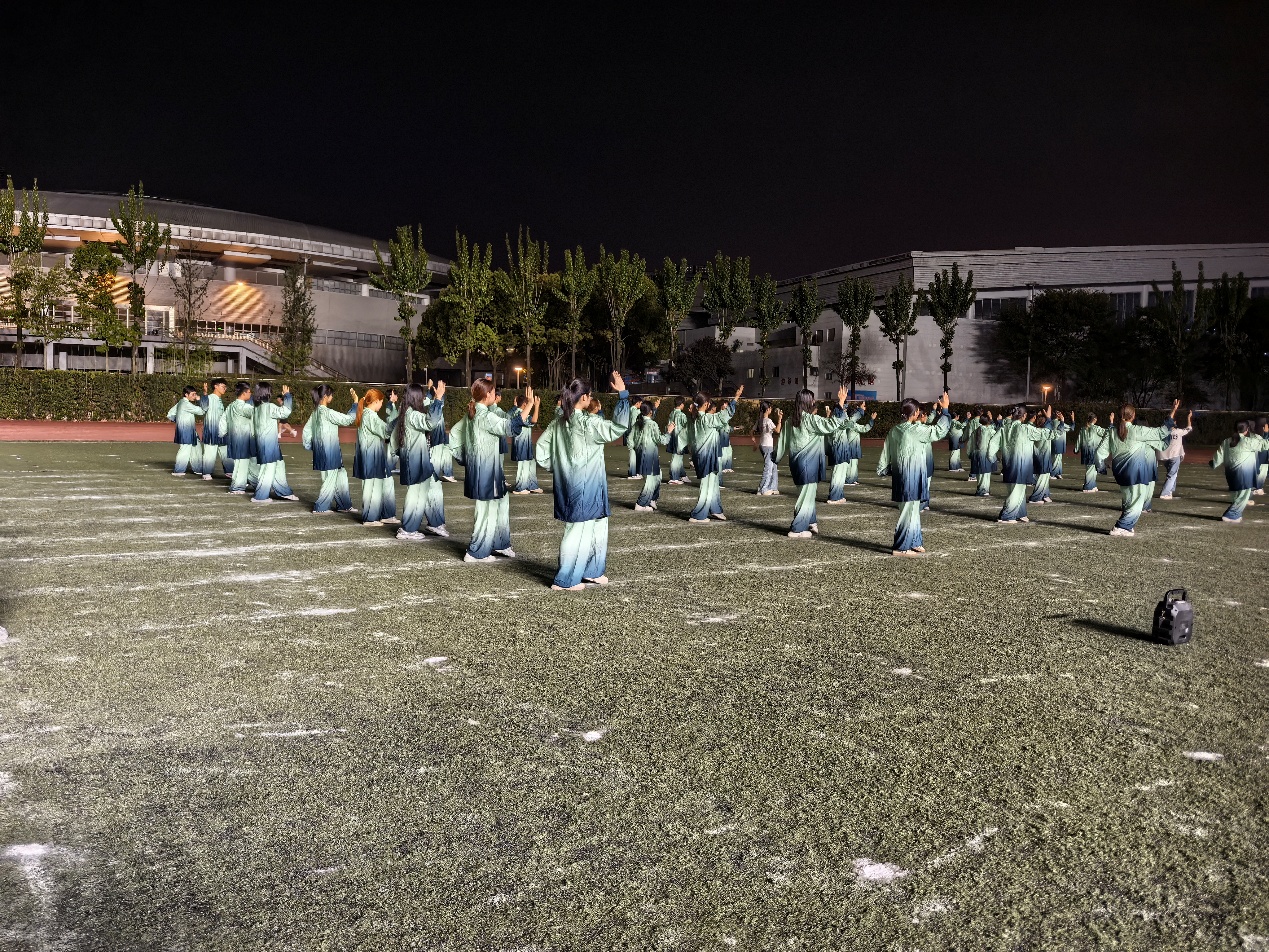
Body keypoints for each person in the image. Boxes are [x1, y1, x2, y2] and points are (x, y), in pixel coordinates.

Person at [535, 373, 631, 590]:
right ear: (585, 397)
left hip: (581, 484)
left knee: (597, 525)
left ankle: (592, 571)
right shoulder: (589, 423)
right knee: (578, 529)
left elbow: (541, 451)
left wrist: (560, 468)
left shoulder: (559, 423)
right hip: (587, 485)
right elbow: (618, 427)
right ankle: (566, 579)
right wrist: (623, 394)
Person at [450, 378, 528, 563]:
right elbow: (510, 428)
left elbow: (454, 434)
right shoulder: (484, 416)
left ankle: (500, 543)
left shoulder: (474, 413)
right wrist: (529, 405)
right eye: (493, 391)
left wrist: (465, 458)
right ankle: (476, 552)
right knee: (486, 510)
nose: (495, 394)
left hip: (487, 469)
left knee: (500, 501)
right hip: (486, 470)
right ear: (487, 395)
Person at [876, 393, 952, 555]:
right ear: (916, 412)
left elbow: (886, 451)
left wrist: (884, 468)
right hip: (911, 477)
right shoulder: (915, 430)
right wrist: (945, 410)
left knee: (913, 510)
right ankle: (901, 547)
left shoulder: (895, 430)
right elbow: (939, 431)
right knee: (908, 511)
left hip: (903, 476)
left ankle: (915, 541)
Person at [775, 386, 856, 538]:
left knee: (807, 494)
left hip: (796, 463)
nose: (814, 402)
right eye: (812, 400)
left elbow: (782, 442)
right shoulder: (810, 419)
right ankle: (798, 529)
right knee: (806, 495)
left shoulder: (790, 420)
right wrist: (841, 402)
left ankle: (810, 521)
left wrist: (775, 457)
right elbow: (832, 425)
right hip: (809, 463)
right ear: (807, 402)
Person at [1096, 400, 1177, 537]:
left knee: (1129, 500)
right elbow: (1161, 432)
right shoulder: (1136, 430)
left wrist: (1101, 467)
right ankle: (1122, 527)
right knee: (1137, 502)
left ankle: (1126, 526)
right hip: (1135, 472)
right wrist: (1172, 412)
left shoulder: (1112, 431)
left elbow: (1099, 453)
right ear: (1133, 416)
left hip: (1120, 472)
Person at [393, 381, 448, 540]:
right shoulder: (412, 414)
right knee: (416, 494)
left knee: (432, 486)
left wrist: (437, 398)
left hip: (418, 459)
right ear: (416, 397)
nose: (424, 398)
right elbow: (430, 422)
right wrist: (438, 399)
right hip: (415, 460)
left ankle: (435, 523)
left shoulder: (406, 412)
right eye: (422, 396)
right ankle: (408, 529)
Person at [686, 387, 742, 523]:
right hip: (707, 456)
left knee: (713, 483)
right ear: (706, 404)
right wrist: (736, 397)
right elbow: (725, 415)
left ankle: (715, 509)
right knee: (707, 485)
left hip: (702, 455)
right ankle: (698, 514)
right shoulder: (706, 419)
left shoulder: (694, 419)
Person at [301, 384, 358, 514]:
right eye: (331, 395)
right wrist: (355, 403)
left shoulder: (315, 413)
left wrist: (313, 446)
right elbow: (348, 419)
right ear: (326, 396)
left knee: (340, 475)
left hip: (326, 451)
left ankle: (344, 505)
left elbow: (306, 431)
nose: (332, 397)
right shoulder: (326, 412)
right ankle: (321, 507)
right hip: (329, 451)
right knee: (330, 479)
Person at [996, 404, 1055, 524]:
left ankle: (1020, 513)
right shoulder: (1025, 428)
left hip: (1008, 465)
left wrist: (990, 455)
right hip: (1020, 465)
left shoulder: (1005, 428)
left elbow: (994, 442)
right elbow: (1047, 433)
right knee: (1016, 491)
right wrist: (1049, 419)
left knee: (1018, 490)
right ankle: (1007, 516)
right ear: (1024, 416)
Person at [351, 388, 399, 526]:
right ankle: (370, 518)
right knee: (372, 486)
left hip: (375, 455)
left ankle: (386, 515)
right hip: (371, 456)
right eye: (381, 402)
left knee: (385, 482)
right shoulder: (369, 416)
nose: (382, 404)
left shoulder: (369, 414)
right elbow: (385, 431)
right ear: (376, 401)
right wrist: (399, 418)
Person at [1210, 421, 1269, 523]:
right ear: (1247, 430)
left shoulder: (1226, 441)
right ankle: (1231, 515)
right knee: (1243, 497)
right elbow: (1266, 445)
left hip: (1230, 474)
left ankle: (1236, 515)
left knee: (1236, 496)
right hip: (1244, 475)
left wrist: (1213, 463)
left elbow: (1219, 456)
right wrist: (1266, 433)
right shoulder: (1247, 441)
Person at [250, 382, 298, 503]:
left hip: (266, 442)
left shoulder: (257, 408)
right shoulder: (269, 406)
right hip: (268, 443)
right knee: (268, 468)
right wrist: (287, 396)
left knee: (278, 465)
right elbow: (285, 412)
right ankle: (260, 496)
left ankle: (284, 492)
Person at [825, 400, 876, 501]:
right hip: (839, 450)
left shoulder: (833, 421)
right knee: (838, 475)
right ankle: (835, 497)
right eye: (844, 409)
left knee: (839, 474)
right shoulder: (839, 421)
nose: (845, 411)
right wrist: (860, 410)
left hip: (839, 450)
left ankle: (838, 496)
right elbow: (851, 422)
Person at [629, 399, 673, 512]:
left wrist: (636, 450)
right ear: (651, 412)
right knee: (650, 480)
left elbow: (630, 440)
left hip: (644, 454)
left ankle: (652, 499)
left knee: (658, 477)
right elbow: (662, 440)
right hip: (649, 454)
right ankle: (641, 503)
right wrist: (669, 431)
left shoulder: (638, 423)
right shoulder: (652, 424)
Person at [224, 381, 257, 494]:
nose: (250, 394)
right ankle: (237, 487)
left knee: (249, 462)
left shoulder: (231, 405)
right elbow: (256, 413)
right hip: (244, 438)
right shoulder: (243, 406)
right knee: (242, 463)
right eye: (249, 392)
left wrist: (222, 433)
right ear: (244, 393)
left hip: (236, 438)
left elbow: (223, 420)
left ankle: (258, 484)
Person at [165, 386, 206, 476]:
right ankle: (178, 470)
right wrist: (200, 400)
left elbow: (170, 414)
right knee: (185, 449)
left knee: (196, 448)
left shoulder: (181, 402)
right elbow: (201, 411)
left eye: (195, 394)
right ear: (186, 395)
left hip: (190, 430)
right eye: (193, 394)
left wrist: (179, 421)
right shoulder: (186, 404)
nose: (195, 396)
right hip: (186, 430)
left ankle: (198, 469)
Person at [196, 378, 230, 480]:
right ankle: (206, 473)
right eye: (223, 386)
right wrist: (205, 393)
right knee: (210, 451)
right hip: (211, 430)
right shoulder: (210, 398)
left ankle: (230, 471)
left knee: (226, 451)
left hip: (222, 430)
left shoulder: (220, 400)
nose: (225, 388)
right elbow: (204, 407)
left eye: (225, 387)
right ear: (216, 386)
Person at [510, 393, 543, 494]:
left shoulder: (515, 412)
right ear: (525, 404)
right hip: (521, 443)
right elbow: (534, 420)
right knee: (523, 464)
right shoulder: (520, 413)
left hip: (525, 443)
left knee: (530, 462)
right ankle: (520, 487)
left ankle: (532, 485)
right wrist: (536, 406)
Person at [1157, 408, 1193, 500]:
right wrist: (1189, 418)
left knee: (1172, 473)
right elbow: (1189, 428)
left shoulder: (1162, 431)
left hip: (1164, 456)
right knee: (1172, 474)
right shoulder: (1178, 431)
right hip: (1174, 455)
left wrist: (1174, 409)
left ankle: (1169, 492)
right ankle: (1165, 493)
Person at [427, 382, 456, 482]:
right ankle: (433, 474)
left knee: (446, 450)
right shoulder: (433, 405)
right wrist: (432, 391)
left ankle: (448, 473)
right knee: (437, 452)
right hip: (436, 433)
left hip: (440, 433)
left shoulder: (435, 403)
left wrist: (431, 389)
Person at [967, 410, 1000, 497]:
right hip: (986, 454)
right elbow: (995, 442)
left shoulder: (976, 431)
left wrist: (970, 454)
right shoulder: (990, 431)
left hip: (976, 455)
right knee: (986, 474)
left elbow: (970, 444)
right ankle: (983, 491)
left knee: (980, 474)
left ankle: (982, 490)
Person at [1073, 412, 1108, 493]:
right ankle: (1088, 487)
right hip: (1093, 452)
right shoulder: (1096, 428)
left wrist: (1076, 449)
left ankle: (1093, 485)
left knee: (1092, 469)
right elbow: (1107, 433)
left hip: (1085, 452)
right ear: (1094, 419)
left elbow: (1079, 440)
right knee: (1091, 469)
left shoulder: (1083, 429)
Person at [1028, 411, 1057, 505]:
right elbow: (1055, 431)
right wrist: (1049, 418)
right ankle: (1035, 498)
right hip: (1044, 458)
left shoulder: (1034, 430)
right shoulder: (1044, 431)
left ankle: (1045, 494)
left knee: (1044, 478)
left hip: (1036, 457)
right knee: (1043, 478)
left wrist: (1044, 416)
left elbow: (1030, 424)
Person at [754, 400, 782, 496]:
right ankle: (763, 489)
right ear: (768, 409)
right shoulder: (768, 421)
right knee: (769, 467)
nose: (771, 409)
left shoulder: (759, 420)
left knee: (773, 465)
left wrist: (755, 442)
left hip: (763, 445)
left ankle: (773, 487)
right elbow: (777, 430)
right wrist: (779, 419)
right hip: (768, 446)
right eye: (770, 408)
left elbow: (752, 431)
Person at [667, 397, 692, 484]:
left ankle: (682, 475)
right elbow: (687, 426)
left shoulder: (672, 413)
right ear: (681, 404)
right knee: (677, 457)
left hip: (672, 437)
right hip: (680, 438)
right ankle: (674, 478)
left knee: (679, 457)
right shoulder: (682, 415)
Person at [1049, 412, 1072, 478]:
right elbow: (1071, 428)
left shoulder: (1050, 423)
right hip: (1059, 444)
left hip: (1052, 443)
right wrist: (1072, 420)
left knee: (1055, 459)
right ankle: (1053, 474)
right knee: (1057, 459)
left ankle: (1058, 473)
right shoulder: (1060, 423)